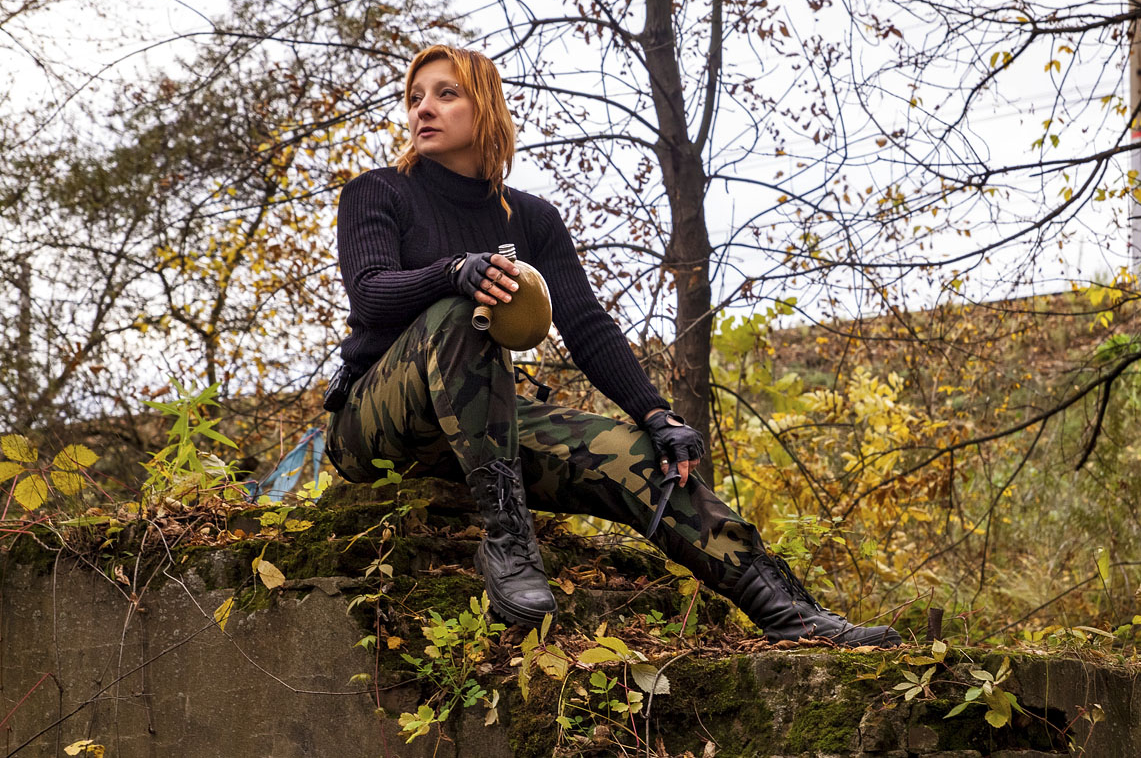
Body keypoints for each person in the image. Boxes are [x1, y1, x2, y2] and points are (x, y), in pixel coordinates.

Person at [323, 44, 900, 648]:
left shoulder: (532, 220)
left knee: (639, 455)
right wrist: (452, 273)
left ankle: (790, 613)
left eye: (446, 94)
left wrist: (656, 414)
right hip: (376, 424)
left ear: (486, 107)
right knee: (463, 311)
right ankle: (509, 544)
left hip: (480, 425)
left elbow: (586, 325)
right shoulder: (377, 192)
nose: (423, 109)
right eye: (415, 97)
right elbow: (370, 295)